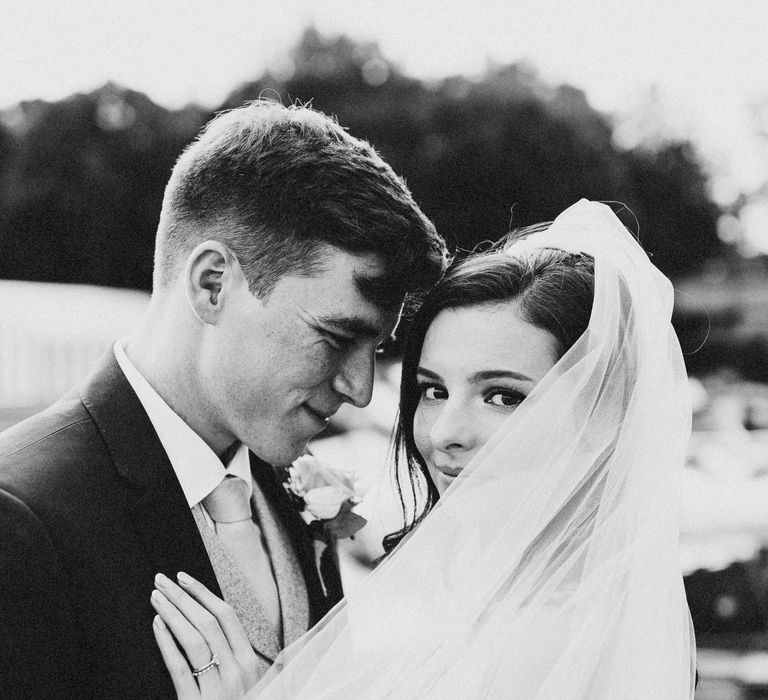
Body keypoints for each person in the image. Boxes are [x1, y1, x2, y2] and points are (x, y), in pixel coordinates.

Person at [150, 200, 696, 698]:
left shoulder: (577, 640)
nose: (442, 433)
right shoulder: (453, 599)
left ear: (601, 417)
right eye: (433, 391)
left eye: (502, 396)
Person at [0, 100, 447, 699]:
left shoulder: (291, 486)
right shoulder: (22, 521)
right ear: (213, 283)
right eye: (337, 338)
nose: (361, 389)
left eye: (376, 349)